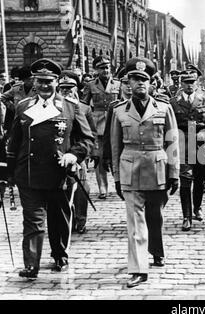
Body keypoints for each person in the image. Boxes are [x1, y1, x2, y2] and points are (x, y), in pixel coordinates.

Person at [6, 58, 94, 280]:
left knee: (59, 218)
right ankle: (31, 265)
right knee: (33, 220)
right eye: (40, 81)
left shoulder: (71, 107)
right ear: (34, 82)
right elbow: (14, 141)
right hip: (29, 173)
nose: (45, 86)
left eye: (49, 82)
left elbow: (86, 139)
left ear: (57, 82)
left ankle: (59, 254)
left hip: (59, 174)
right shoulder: (23, 106)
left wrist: (73, 154)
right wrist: (7, 173)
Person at [110, 57, 179, 288]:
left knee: (155, 217)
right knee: (135, 223)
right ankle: (139, 269)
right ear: (128, 83)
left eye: (144, 79)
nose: (140, 83)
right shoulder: (119, 111)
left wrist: (174, 172)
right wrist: (117, 178)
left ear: (152, 83)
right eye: (134, 79)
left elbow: (172, 142)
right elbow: (115, 145)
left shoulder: (164, 108)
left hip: (157, 168)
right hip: (130, 169)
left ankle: (156, 250)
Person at [169, 68, 205, 231]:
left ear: (197, 83)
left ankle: (197, 208)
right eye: (186, 82)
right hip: (182, 146)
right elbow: (170, 126)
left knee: (200, 179)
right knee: (185, 180)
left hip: (202, 146)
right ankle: (186, 216)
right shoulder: (173, 102)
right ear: (181, 83)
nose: (189, 85)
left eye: (192, 82)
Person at [58, 70, 98, 234]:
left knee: (82, 187)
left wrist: (91, 152)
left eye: (70, 86)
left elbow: (91, 132)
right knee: (64, 187)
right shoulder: (56, 105)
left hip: (79, 152)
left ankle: (81, 219)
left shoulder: (84, 107)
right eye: (63, 87)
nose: (66, 90)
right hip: (61, 152)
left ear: (77, 88)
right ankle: (67, 218)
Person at [81, 55, 121, 199]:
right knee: (99, 157)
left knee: (118, 154)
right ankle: (102, 188)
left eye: (107, 67)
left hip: (115, 122)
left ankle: (120, 184)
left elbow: (124, 104)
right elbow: (84, 105)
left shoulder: (118, 84)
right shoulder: (90, 85)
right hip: (97, 124)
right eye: (102, 68)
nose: (105, 70)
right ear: (96, 70)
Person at [102, 67, 133, 174]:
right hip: (120, 151)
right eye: (125, 83)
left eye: (131, 82)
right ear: (120, 84)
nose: (129, 86)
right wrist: (106, 156)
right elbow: (108, 133)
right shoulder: (114, 107)